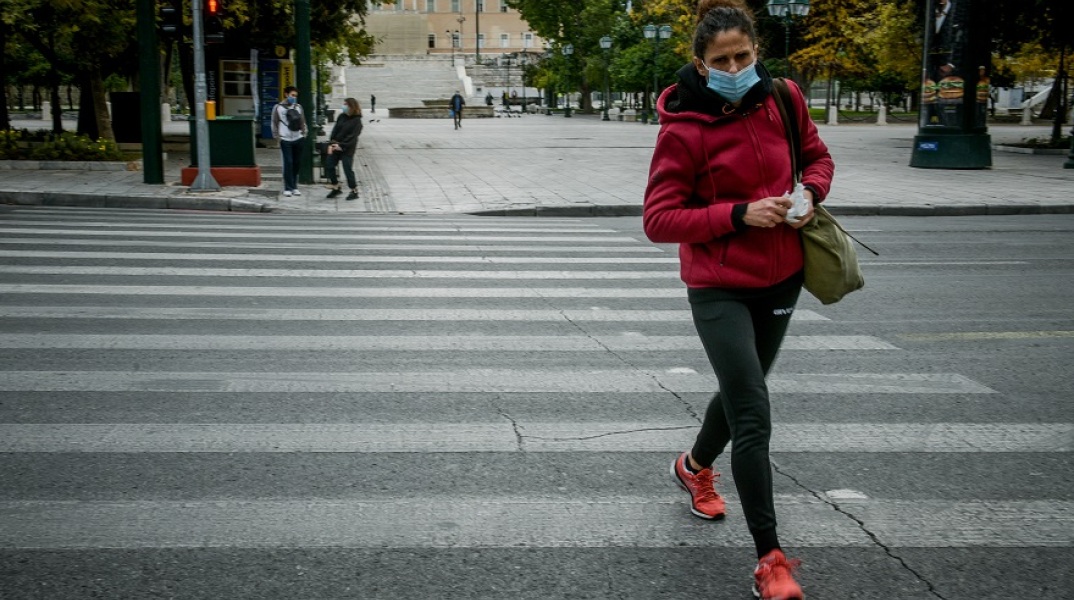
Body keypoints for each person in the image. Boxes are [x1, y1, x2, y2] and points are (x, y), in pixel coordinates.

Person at [642, 1, 834, 599]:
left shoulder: (783, 98)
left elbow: (819, 159)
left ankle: (694, 467)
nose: (734, 67)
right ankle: (769, 559)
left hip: (782, 278)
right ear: (700, 62)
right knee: (753, 412)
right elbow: (658, 218)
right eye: (720, 60)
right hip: (718, 284)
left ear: (757, 50)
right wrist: (737, 213)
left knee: (738, 388)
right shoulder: (684, 126)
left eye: (743, 56)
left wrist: (808, 192)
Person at [324, 97, 363, 201]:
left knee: (347, 169)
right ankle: (336, 186)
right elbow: (335, 130)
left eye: (346, 104)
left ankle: (354, 190)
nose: (344, 106)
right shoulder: (341, 116)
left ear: (352, 106)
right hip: (335, 146)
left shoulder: (357, 121)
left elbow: (353, 137)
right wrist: (332, 143)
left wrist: (341, 145)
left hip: (347, 148)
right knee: (329, 165)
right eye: (344, 104)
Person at [271, 86, 307, 197]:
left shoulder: (298, 107)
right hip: (285, 139)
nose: (294, 98)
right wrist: (277, 137)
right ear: (286, 94)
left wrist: (304, 133)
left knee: (297, 163)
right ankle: (288, 187)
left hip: (298, 138)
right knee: (288, 162)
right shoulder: (278, 108)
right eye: (292, 95)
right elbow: (274, 122)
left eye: (295, 96)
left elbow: (303, 121)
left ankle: (294, 187)